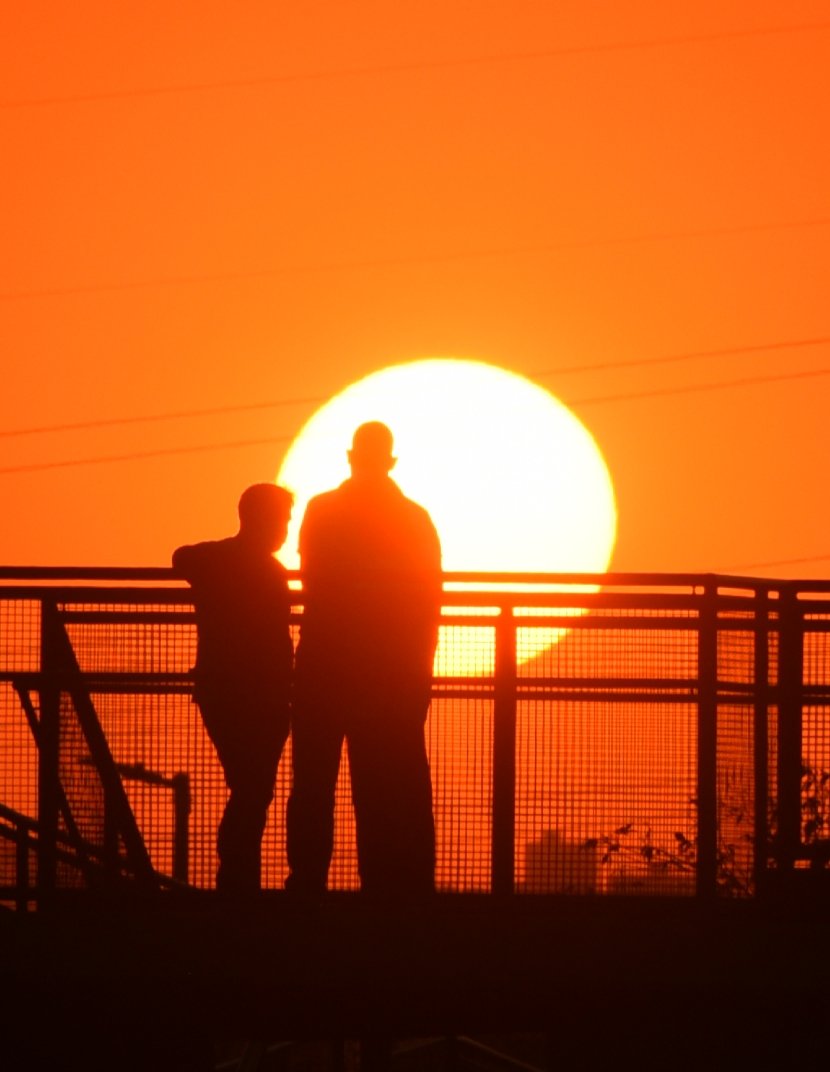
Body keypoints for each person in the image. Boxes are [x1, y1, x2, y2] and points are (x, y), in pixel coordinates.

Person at [286, 421, 442, 897]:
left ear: (351, 457)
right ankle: (388, 887)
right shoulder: (414, 519)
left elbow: (311, 578)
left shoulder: (322, 510)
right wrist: (420, 673)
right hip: (390, 673)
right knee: (387, 788)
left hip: (324, 665)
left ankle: (307, 884)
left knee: (313, 784)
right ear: (391, 461)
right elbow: (429, 601)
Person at [172, 483, 294, 894]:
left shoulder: (214, 559)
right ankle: (237, 875)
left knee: (249, 785)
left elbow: (180, 558)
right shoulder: (273, 575)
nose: (286, 528)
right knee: (255, 787)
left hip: (221, 690)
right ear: (265, 519)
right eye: (283, 519)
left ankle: (237, 874)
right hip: (265, 696)